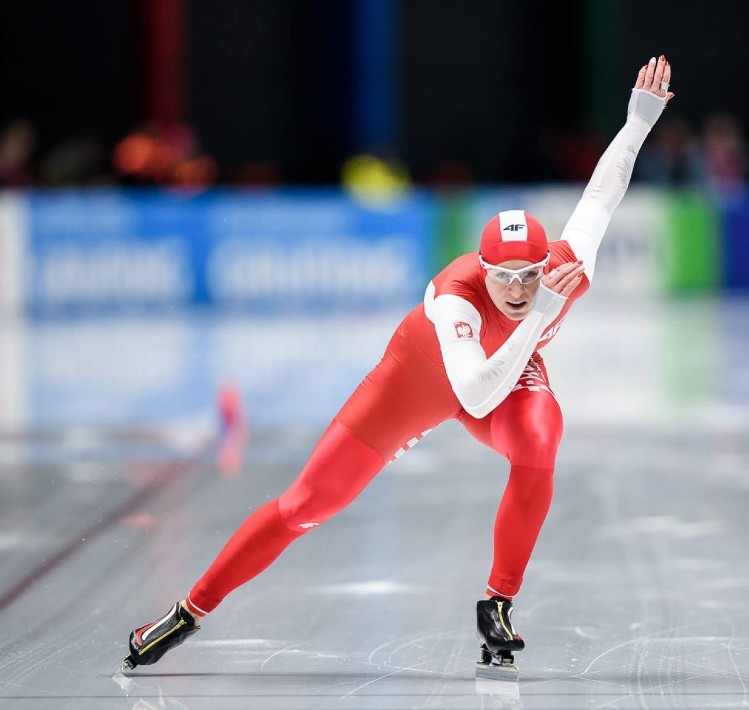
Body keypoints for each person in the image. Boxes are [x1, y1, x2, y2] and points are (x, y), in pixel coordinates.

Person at [122, 55, 675, 674]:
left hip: (503, 373)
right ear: (483, 269)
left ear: (544, 262)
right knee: (305, 506)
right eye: (505, 278)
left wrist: (638, 121)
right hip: (418, 385)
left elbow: (603, 191)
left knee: (541, 439)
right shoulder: (454, 302)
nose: (519, 289)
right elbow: (476, 391)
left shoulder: (565, 268)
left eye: (529, 276)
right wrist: (540, 317)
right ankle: (188, 610)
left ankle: (497, 602)